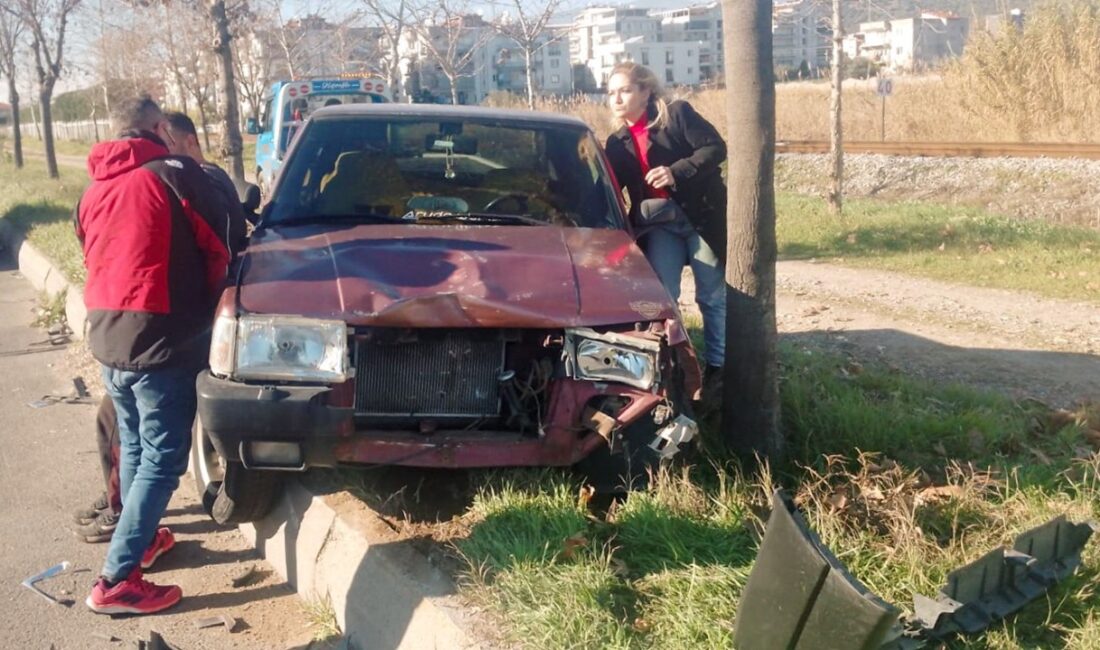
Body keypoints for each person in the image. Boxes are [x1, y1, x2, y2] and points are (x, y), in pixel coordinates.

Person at [75, 94, 233, 615]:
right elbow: (222, 245)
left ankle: (140, 540)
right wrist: (208, 309)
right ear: (161, 127)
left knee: (138, 449)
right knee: (162, 460)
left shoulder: (95, 187)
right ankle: (117, 580)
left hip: (108, 336)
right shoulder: (173, 174)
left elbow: (90, 249)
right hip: (162, 336)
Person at [603, 62, 728, 402]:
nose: (616, 98)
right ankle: (672, 366)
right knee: (661, 300)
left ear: (645, 91)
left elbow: (716, 148)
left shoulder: (676, 115)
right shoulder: (616, 142)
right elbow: (608, 187)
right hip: (660, 225)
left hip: (699, 217)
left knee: (711, 296)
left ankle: (719, 369)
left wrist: (676, 172)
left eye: (625, 90)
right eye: (611, 92)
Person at [162, 111, 250, 252]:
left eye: (168, 144)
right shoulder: (212, 173)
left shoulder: (206, 182)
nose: (163, 152)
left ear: (190, 142)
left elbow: (221, 246)